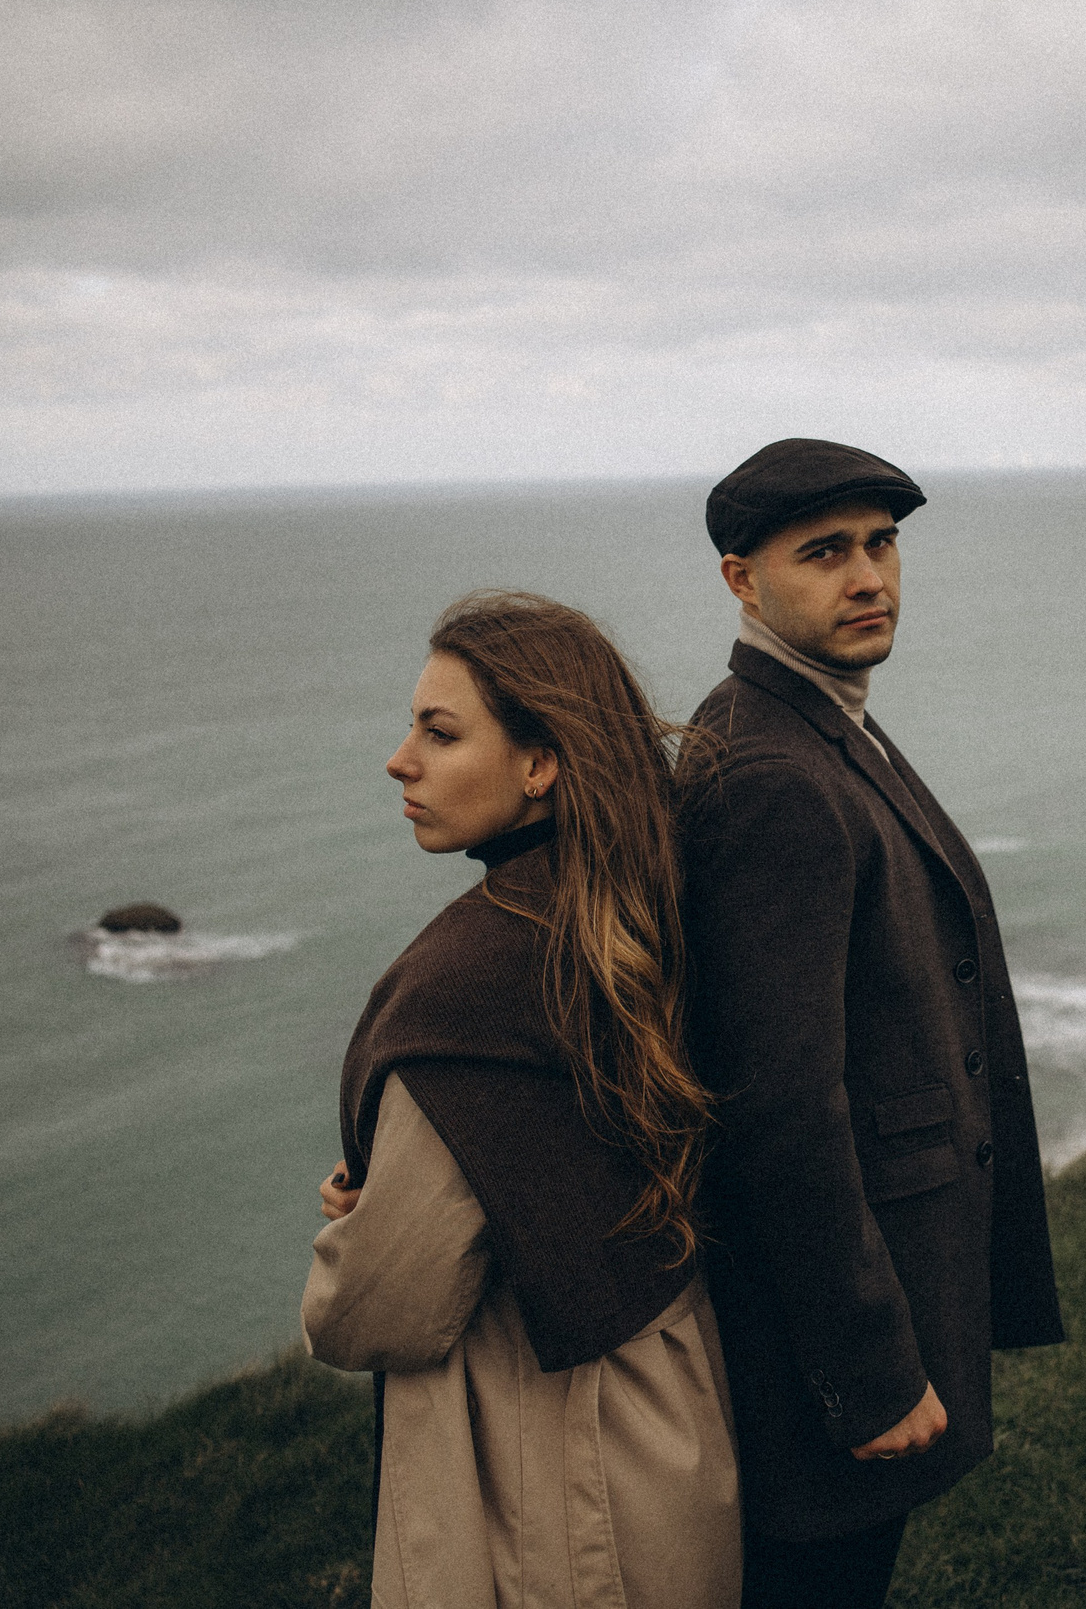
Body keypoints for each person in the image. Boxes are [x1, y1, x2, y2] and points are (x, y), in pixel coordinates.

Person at [679, 438, 1066, 1608]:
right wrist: (869, 1374)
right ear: (742, 581)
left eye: (883, 544)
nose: (870, 578)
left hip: (880, 1300)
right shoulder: (770, 777)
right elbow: (779, 1108)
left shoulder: (816, 722)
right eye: (827, 552)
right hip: (830, 1353)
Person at [301, 590, 741, 1609]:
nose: (398, 759)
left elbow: (378, 1310)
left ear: (540, 764)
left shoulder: (467, 989)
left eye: (438, 732)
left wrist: (356, 1231)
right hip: (671, 1426)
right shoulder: (643, 915)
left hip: (543, 1481)